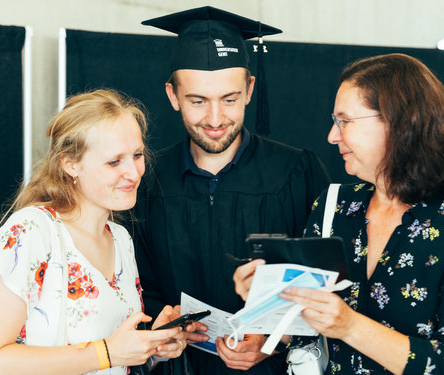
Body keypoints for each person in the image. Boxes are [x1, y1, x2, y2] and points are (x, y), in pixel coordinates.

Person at [130, 6, 330, 375]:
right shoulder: (145, 179)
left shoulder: (295, 172)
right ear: (173, 95)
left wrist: (274, 341)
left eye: (229, 99)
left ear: (250, 89)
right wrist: (161, 330)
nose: (216, 118)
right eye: (197, 101)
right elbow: (135, 287)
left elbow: (328, 288)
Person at [233, 53, 444, 374]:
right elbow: (308, 325)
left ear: (398, 122)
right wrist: (269, 309)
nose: (332, 136)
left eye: (344, 121)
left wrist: (350, 326)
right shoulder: (334, 205)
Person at [0, 89, 190, 375]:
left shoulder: (121, 239)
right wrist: (107, 352)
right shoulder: (31, 231)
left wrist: (150, 345)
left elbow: (114, 357)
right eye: (114, 161)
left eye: (137, 155)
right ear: (71, 164)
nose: (133, 173)